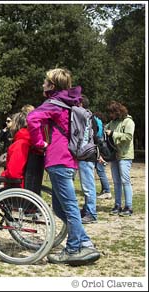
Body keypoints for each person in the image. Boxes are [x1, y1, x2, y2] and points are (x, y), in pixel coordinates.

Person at [27, 68, 100, 265]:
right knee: (60, 209)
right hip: (70, 160)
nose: (42, 85)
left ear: (52, 85)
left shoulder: (53, 104)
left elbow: (32, 118)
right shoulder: (70, 103)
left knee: (69, 208)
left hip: (58, 160)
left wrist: (40, 143)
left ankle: (73, 248)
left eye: (45, 82)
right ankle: (84, 242)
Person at [105, 101, 135, 216]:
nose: (110, 115)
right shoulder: (112, 122)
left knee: (125, 181)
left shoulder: (129, 122)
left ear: (117, 112)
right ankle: (117, 205)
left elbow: (128, 137)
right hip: (114, 155)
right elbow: (104, 129)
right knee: (116, 181)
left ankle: (128, 206)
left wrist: (113, 134)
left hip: (125, 155)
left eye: (111, 113)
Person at [76, 96, 98, 224]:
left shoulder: (87, 118)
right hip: (88, 154)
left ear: (81, 104)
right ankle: (87, 209)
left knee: (88, 186)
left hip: (86, 155)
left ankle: (91, 213)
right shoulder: (90, 118)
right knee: (86, 185)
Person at [93, 111, 112, 200]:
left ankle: (107, 191)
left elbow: (97, 136)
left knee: (100, 171)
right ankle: (104, 190)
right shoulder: (101, 123)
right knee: (100, 170)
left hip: (99, 148)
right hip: (102, 147)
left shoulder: (95, 121)